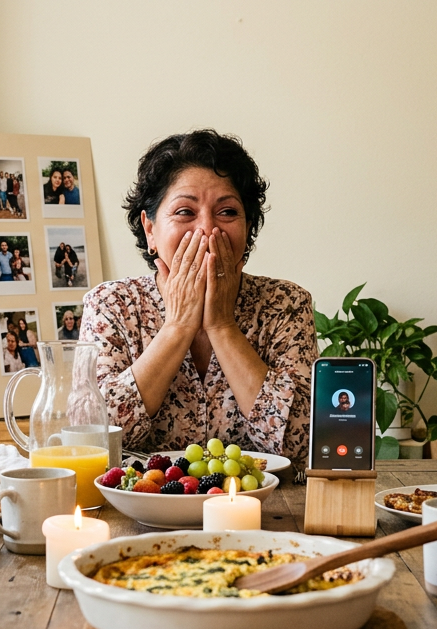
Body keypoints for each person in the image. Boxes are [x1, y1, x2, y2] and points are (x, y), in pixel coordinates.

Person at [81, 129, 316, 465]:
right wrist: (177, 325)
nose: (207, 229)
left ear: (247, 228)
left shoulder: (286, 304)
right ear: (150, 230)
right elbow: (94, 441)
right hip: (142, 508)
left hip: (265, 510)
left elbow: (300, 443)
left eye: (228, 212)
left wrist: (222, 324)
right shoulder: (110, 305)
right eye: (185, 212)